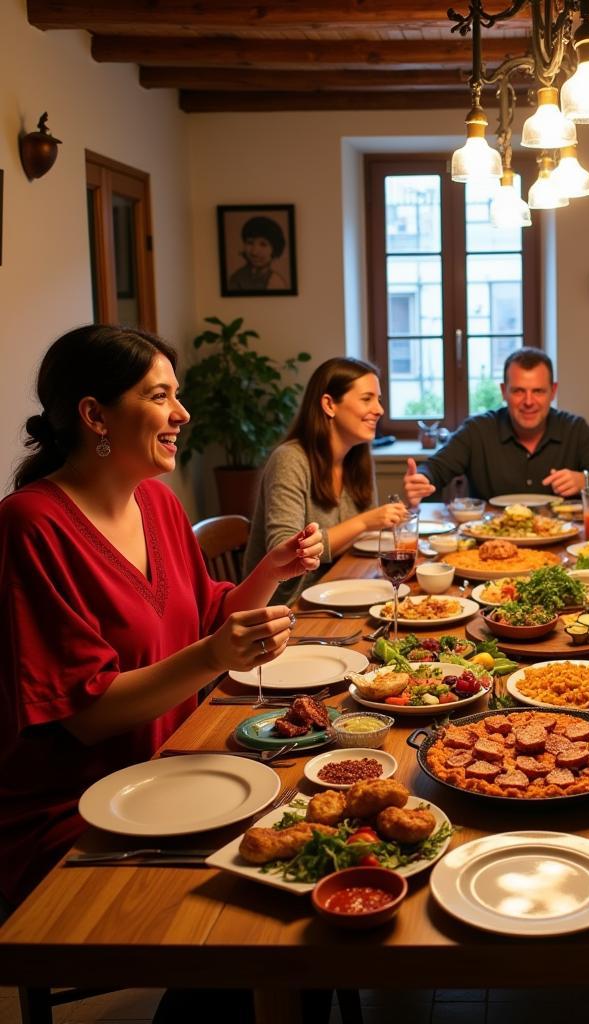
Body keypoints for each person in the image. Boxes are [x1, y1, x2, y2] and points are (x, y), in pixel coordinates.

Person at [0, 325, 323, 910]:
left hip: (176, 771)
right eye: (159, 396)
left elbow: (211, 616)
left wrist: (271, 571)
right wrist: (216, 655)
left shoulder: (158, 501)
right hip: (81, 810)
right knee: (271, 895)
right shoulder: (29, 526)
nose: (182, 412)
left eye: (177, 394)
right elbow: (89, 716)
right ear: (96, 416)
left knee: (315, 839)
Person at [244, 357, 407, 605]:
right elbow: (285, 552)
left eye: (379, 399)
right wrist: (364, 522)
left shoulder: (358, 457)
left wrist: (408, 506)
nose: (379, 409)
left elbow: (363, 541)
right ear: (329, 404)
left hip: (340, 591)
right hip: (286, 608)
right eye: (367, 399)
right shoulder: (290, 459)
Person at [403, 347, 589, 503]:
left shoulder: (575, 429)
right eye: (518, 391)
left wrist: (586, 481)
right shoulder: (478, 429)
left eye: (538, 391)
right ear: (503, 391)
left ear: (553, 392)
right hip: (489, 547)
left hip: (561, 544)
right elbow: (434, 469)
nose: (528, 402)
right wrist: (421, 479)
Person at [228, 215, 288, 291]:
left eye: (263, 244)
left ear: (275, 249)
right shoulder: (236, 279)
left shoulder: (276, 282)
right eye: (250, 243)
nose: (254, 252)